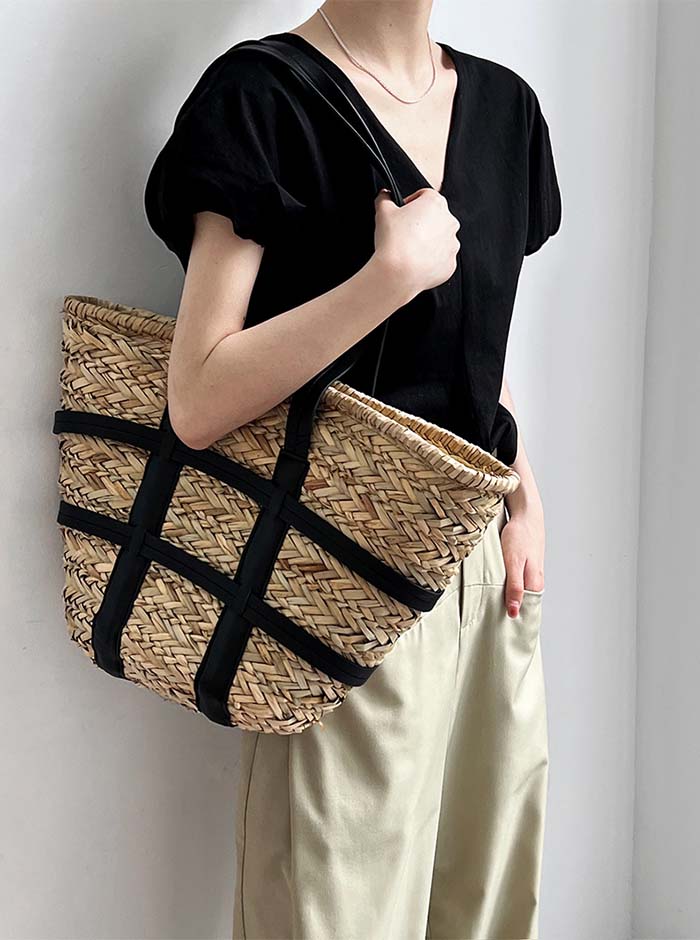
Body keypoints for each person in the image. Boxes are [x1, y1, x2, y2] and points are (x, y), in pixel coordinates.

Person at [143, 1, 562, 937]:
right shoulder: (260, 96)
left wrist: (525, 496)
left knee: (485, 903)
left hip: (484, 569)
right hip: (335, 581)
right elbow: (198, 397)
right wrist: (387, 280)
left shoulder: (506, 108)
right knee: (338, 914)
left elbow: (470, 352)